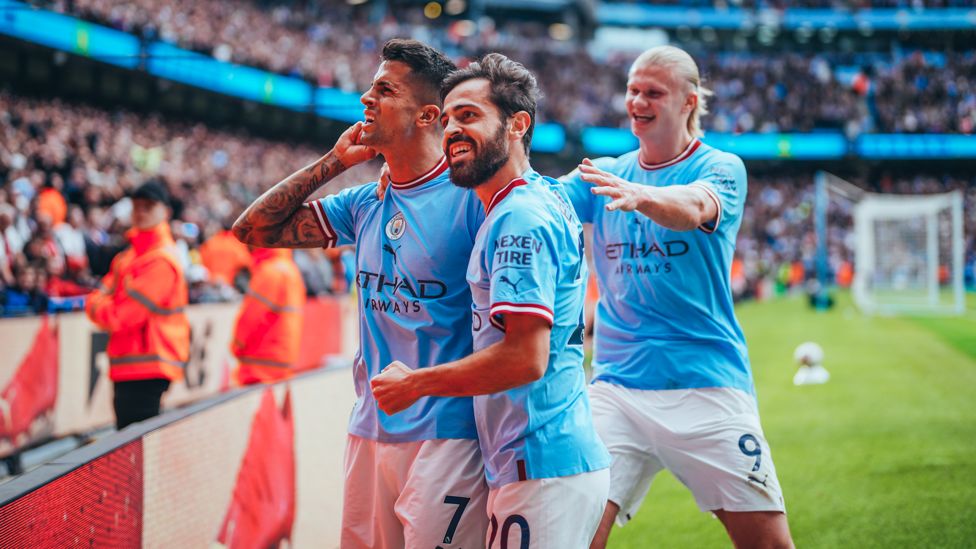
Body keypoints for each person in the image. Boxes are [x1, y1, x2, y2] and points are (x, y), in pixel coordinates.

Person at [232, 39, 489, 549]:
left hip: (447, 435)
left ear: (427, 115)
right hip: (370, 426)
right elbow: (252, 231)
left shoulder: (474, 200)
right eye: (370, 88)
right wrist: (333, 162)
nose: (366, 99)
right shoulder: (363, 201)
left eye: (385, 90)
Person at [371, 53, 612, 549]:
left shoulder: (516, 218)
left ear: (518, 125)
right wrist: (401, 183)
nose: (452, 129)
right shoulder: (534, 197)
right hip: (536, 461)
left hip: (540, 462)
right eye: (448, 117)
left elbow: (525, 357)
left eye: (470, 116)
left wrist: (415, 384)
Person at [558, 46, 795, 548]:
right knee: (571, 535)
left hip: (706, 384)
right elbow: (533, 201)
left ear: (689, 102)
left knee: (769, 544)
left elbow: (694, 207)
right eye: (633, 90)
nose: (638, 101)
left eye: (653, 92)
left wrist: (641, 195)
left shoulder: (721, 167)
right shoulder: (603, 173)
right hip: (616, 389)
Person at [85, 181, 190, 429]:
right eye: (136, 206)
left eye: (148, 206)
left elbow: (122, 316)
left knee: (135, 448)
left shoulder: (160, 259)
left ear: (165, 211)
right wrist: (101, 303)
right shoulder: (130, 255)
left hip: (147, 364)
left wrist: (100, 304)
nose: (140, 211)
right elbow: (99, 297)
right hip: (132, 362)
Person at [231, 246, 306, 385]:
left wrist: (237, 344)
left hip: (261, 362)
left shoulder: (270, 271)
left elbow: (251, 316)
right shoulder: (291, 268)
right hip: (282, 358)